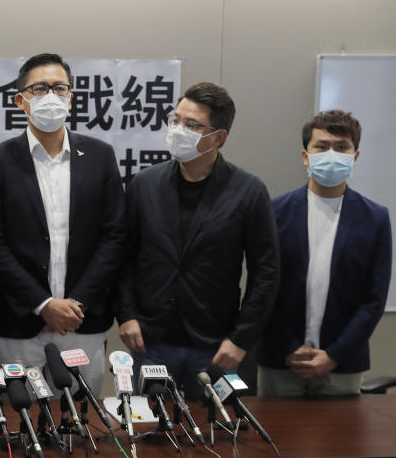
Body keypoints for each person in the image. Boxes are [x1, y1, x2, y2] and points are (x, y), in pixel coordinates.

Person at [0, 53, 126, 394]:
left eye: (59, 88)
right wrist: (43, 304)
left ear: (71, 97)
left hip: (82, 323)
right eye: (40, 88)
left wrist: (77, 304)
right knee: (17, 426)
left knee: (81, 426)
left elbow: (114, 236)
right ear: (20, 100)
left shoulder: (100, 156)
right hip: (16, 323)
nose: (51, 96)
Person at [117, 82, 279, 399]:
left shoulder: (248, 191)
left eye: (192, 125)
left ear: (219, 137)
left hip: (216, 345)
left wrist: (242, 338)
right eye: (176, 120)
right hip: (151, 341)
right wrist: (126, 315)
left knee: (215, 439)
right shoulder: (144, 184)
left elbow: (266, 273)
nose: (179, 129)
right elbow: (124, 257)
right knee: (152, 438)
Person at [258, 110, 391, 396]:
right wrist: (289, 347)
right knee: (275, 440)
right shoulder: (273, 212)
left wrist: (333, 355)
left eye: (341, 147)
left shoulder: (375, 218)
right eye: (322, 146)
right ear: (306, 156)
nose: (331, 153)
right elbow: (262, 288)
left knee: (341, 442)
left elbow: (373, 300)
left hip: (341, 366)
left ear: (355, 157)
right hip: (280, 362)